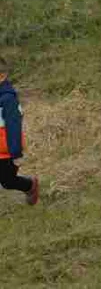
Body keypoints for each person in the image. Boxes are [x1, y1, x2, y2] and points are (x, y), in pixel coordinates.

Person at [0, 56, 40, 205]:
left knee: (7, 182)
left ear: (2, 76)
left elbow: (14, 127)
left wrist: (16, 153)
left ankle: (30, 185)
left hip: (6, 153)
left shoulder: (8, 100)